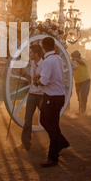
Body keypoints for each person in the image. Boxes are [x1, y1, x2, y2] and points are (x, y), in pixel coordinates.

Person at [35, 37, 69, 167]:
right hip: (57, 96)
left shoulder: (47, 61)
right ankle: (62, 141)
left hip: (52, 97)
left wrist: (36, 81)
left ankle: (53, 157)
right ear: (54, 46)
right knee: (45, 121)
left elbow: (43, 81)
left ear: (43, 48)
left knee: (53, 126)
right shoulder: (58, 59)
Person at [18, 44, 44, 151]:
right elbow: (32, 80)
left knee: (47, 120)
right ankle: (25, 143)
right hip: (32, 94)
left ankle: (53, 141)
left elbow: (44, 82)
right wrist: (24, 75)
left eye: (31, 53)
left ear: (37, 54)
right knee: (27, 119)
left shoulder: (44, 65)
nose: (30, 54)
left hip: (41, 95)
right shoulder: (33, 64)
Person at [71, 50, 91, 114]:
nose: (73, 58)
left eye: (75, 57)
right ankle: (80, 110)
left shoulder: (84, 60)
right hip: (77, 82)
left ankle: (83, 110)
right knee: (79, 97)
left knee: (83, 95)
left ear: (79, 56)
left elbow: (83, 63)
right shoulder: (73, 63)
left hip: (85, 81)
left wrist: (76, 60)